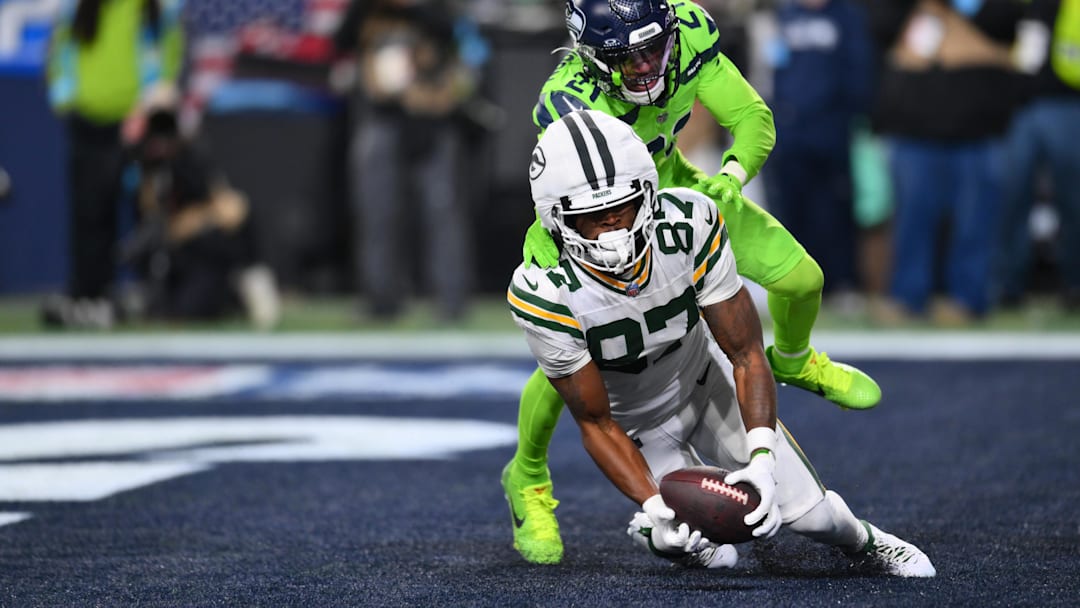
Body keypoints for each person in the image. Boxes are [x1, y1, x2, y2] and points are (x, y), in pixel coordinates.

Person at [502, 0, 880, 566]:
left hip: (670, 190)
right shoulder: (566, 99)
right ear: (590, 56)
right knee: (580, 353)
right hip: (593, 222)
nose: (647, 67)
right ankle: (528, 476)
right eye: (627, 58)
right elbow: (577, 197)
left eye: (655, 48)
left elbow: (753, 117)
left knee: (803, 279)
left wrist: (732, 174)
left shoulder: (691, 31)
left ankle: (795, 359)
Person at [508, 109, 935, 576]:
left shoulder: (690, 221)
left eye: (624, 209)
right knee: (698, 544)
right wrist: (653, 504)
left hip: (706, 380)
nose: (615, 233)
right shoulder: (542, 291)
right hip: (638, 423)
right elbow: (595, 421)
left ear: (649, 194)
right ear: (556, 219)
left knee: (817, 519)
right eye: (593, 218)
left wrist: (761, 458)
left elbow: (745, 352)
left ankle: (866, 540)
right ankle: (660, 535)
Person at [332, 0, 481, 322]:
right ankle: (381, 299)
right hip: (381, 117)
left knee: (442, 210)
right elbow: (341, 41)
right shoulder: (368, 9)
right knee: (377, 211)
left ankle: (451, 301)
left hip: (433, 116)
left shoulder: (441, 10)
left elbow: (469, 46)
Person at [43, 0, 185, 329]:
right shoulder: (75, 8)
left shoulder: (155, 8)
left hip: (138, 121)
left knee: (147, 210)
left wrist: (149, 104)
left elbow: (170, 54)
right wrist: (67, 99)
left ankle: (152, 294)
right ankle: (91, 297)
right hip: (88, 121)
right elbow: (58, 54)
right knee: (90, 213)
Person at [995, 0, 1080, 312]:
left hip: (1068, 102)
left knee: (1073, 201)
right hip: (1021, 105)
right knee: (1012, 197)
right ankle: (1009, 284)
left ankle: (1075, 284)